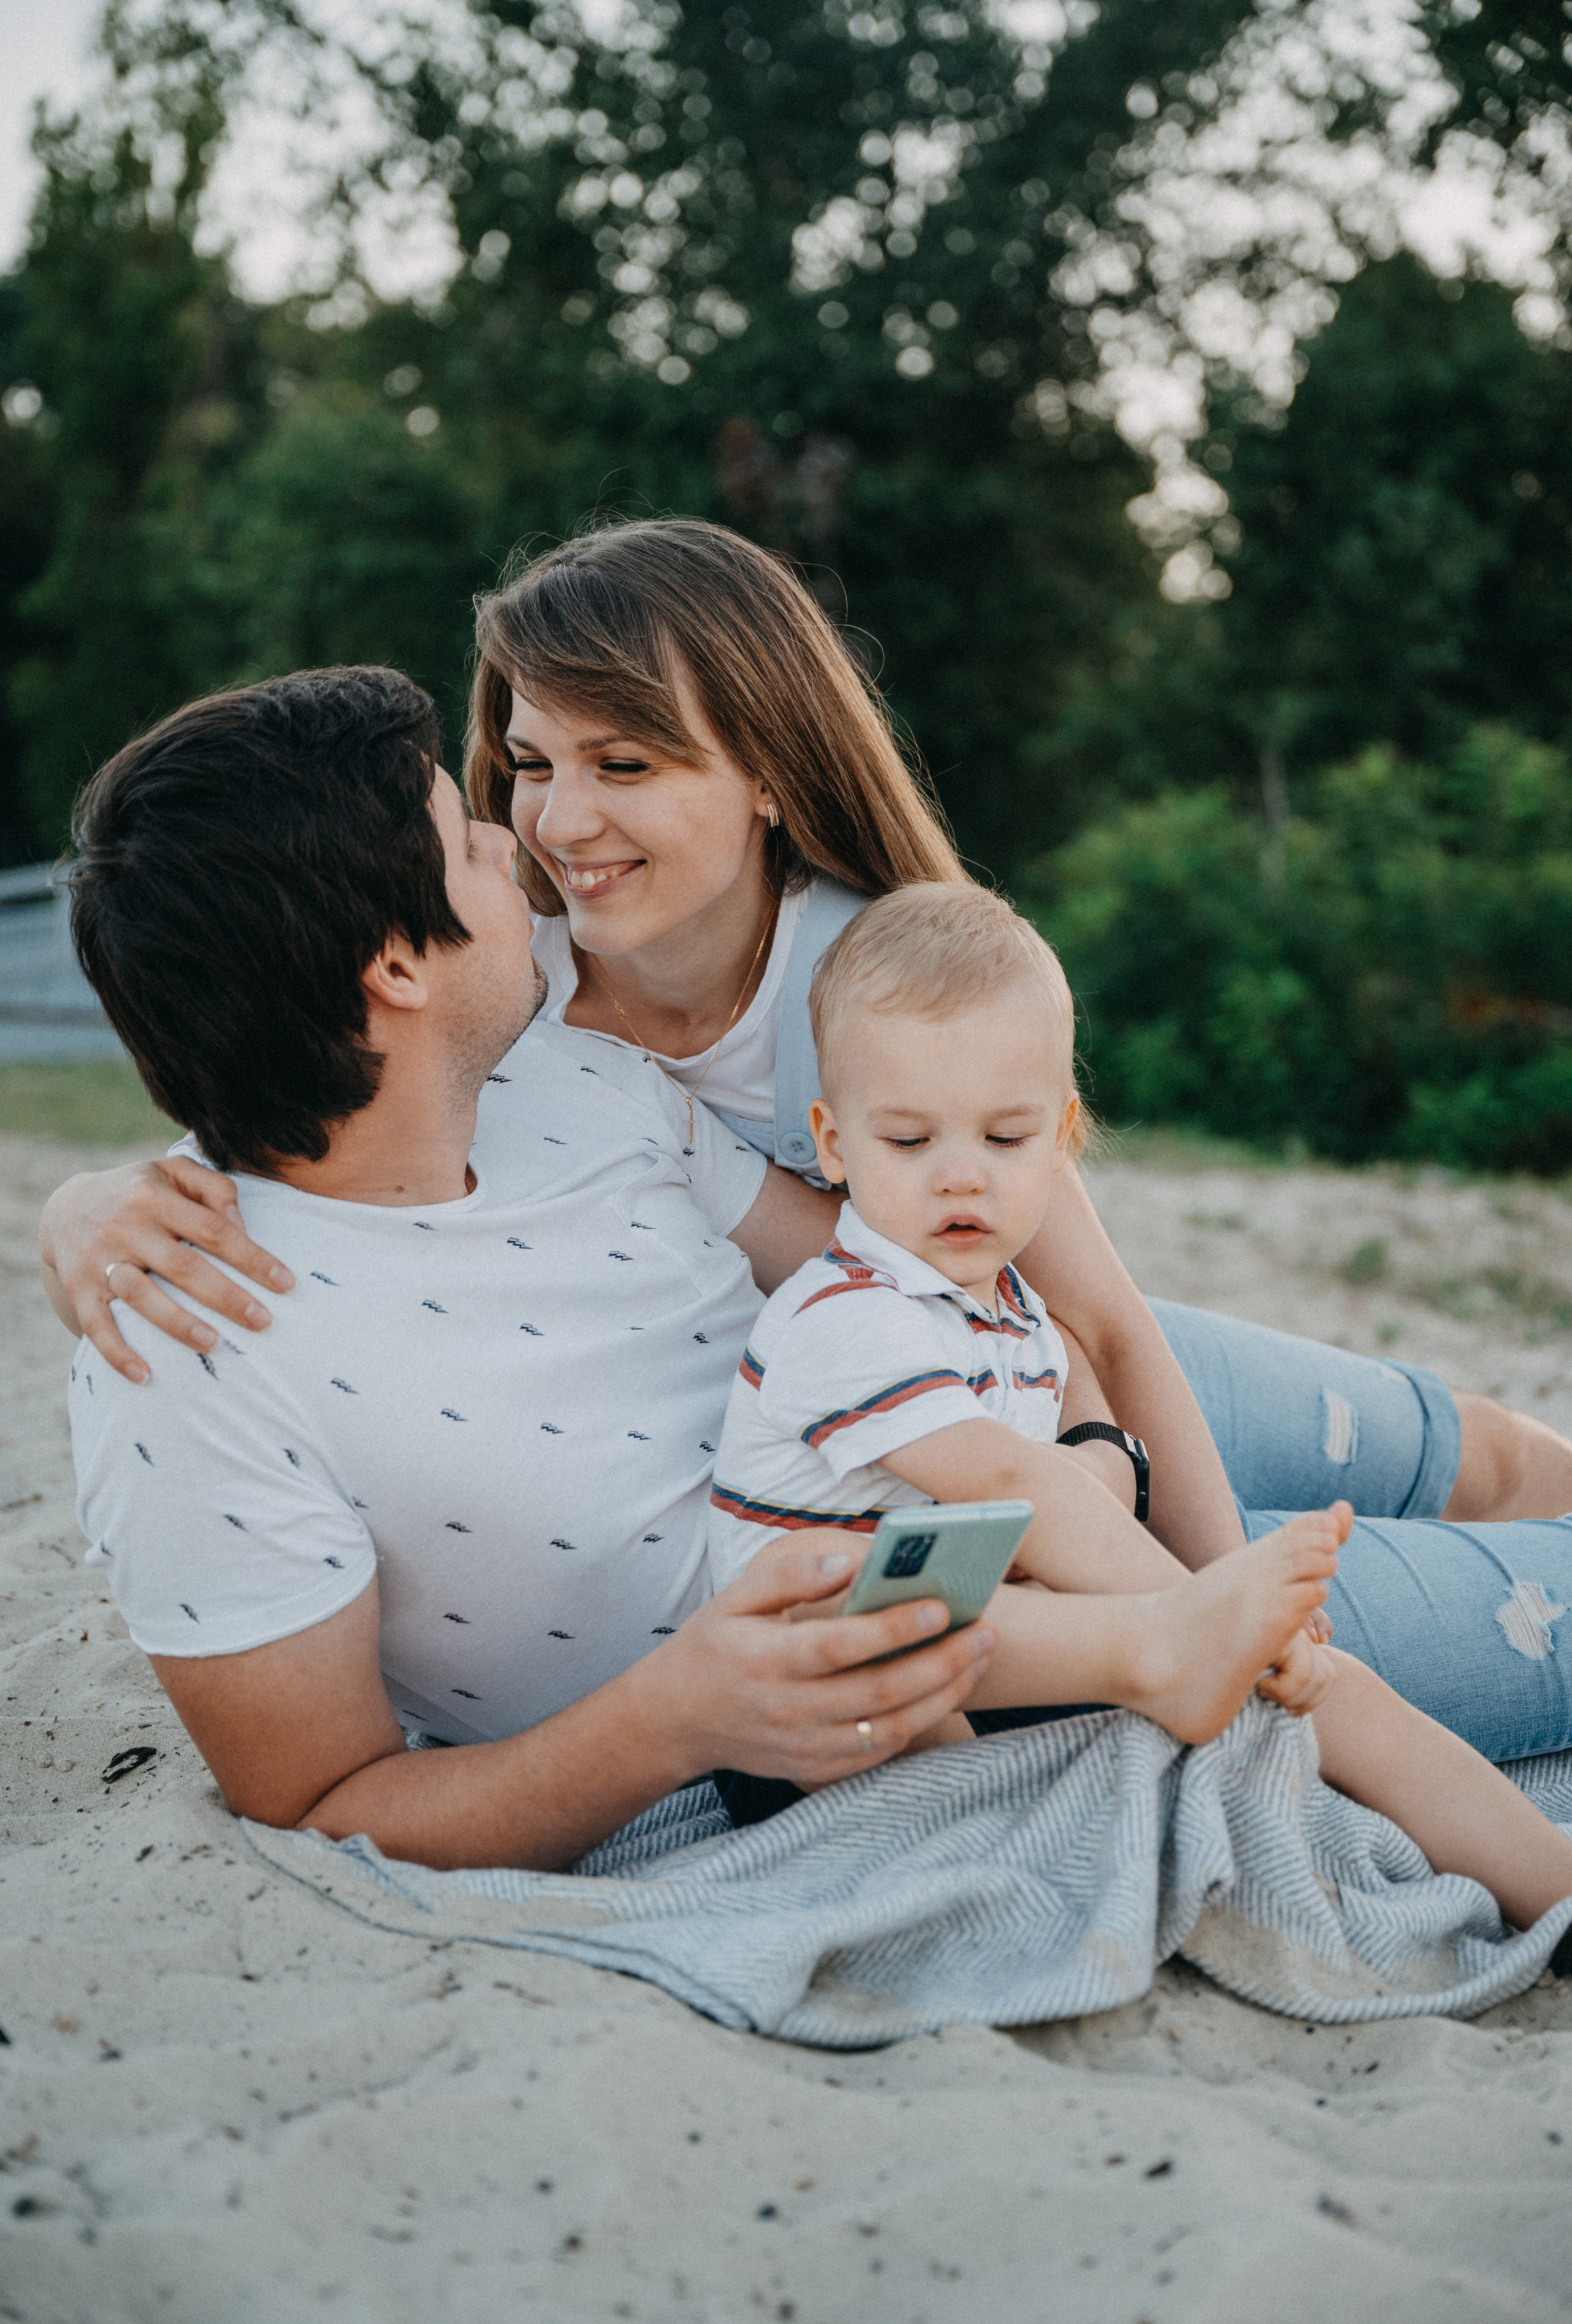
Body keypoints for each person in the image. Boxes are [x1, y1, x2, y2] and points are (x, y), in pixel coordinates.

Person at [38, 520, 1572, 1765]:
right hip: (885, 1456)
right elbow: (301, 1069)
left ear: (766, 775)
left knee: (1478, 1450)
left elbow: (1091, 1311)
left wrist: (1166, 1547)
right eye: (519, 771)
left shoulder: (854, 975)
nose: (549, 828)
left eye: (624, 765)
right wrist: (94, 1197)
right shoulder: (522, 992)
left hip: (1031, 1361)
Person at [57, 665, 1354, 1871]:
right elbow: (318, 1801)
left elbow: (920, 1278)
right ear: (394, 962)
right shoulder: (182, 1343)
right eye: (467, 835)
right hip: (948, 1625)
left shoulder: (567, 1073)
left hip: (1016, 1425)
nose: (515, 839)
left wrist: (1089, 1458)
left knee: (1467, 1453)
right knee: (1524, 1617)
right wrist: (666, 1725)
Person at [708, 883, 1572, 1942]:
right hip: (807, 1699)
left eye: (1006, 1137)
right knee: (1214, 1658)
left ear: (1062, 1137)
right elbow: (1015, 1486)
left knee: (1332, 1688)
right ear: (834, 1145)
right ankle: (997, 1850)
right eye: (909, 1141)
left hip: (972, 1631)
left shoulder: (1013, 1314)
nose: (961, 1177)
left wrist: (1170, 1561)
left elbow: (1065, 1487)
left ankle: (1553, 1882)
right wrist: (1203, 1604)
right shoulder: (845, 1316)